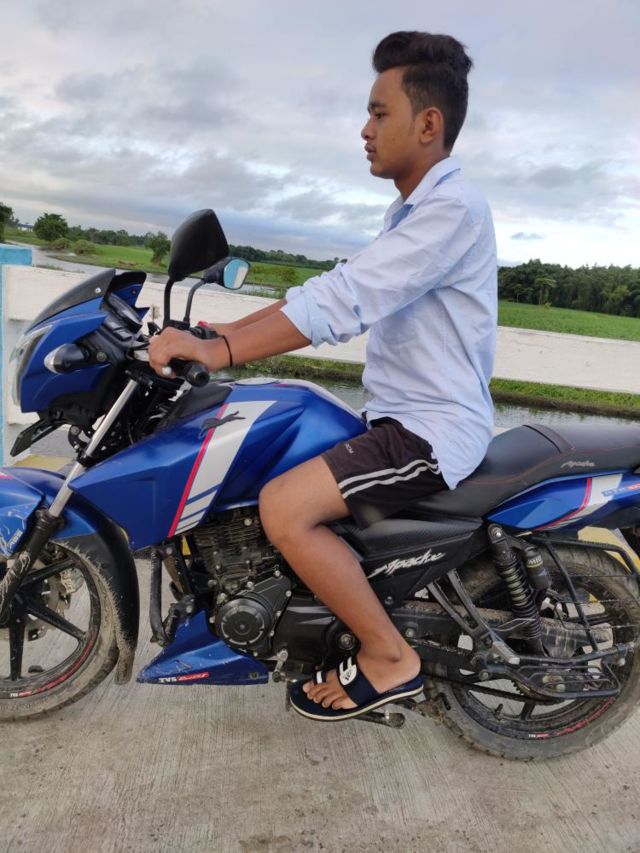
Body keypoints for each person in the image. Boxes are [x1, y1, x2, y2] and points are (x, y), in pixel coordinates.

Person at [149, 30, 497, 721]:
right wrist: (216, 336)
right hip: (399, 417)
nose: (365, 130)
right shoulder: (413, 212)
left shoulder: (452, 209)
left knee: (284, 506)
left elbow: (343, 303)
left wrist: (223, 352)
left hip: (431, 431)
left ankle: (389, 657)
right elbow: (326, 289)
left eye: (379, 113)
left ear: (428, 123)